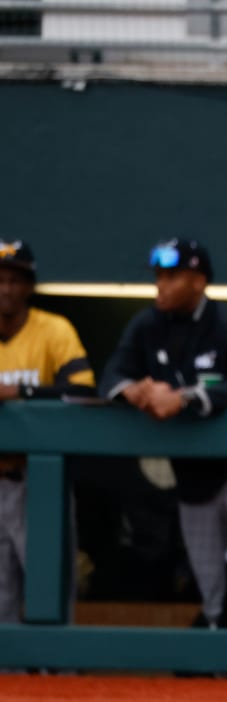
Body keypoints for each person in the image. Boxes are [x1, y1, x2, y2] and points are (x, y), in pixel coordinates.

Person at [99, 238, 227, 630]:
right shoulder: (147, 324)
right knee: (209, 579)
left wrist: (187, 398)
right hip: (190, 473)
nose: (161, 284)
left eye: (173, 276)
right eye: (159, 276)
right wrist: (133, 390)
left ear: (198, 281)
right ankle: (223, 646)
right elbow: (110, 374)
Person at [0, 238, 96, 623]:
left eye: (15, 280)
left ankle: (59, 679)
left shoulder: (54, 329)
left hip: (35, 481)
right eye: (0, 279)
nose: (6, 288)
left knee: (50, 586)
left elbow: (84, 389)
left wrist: (20, 391)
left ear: (29, 286)